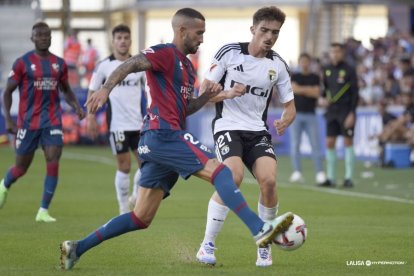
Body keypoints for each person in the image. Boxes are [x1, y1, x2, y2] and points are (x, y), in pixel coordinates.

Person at [60, 8, 294, 270]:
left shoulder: (185, 67)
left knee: (140, 218)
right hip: (164, 134)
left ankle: (77, 247)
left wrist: (211, 96)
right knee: (224, 174)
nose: (202, 39)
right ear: (182, 31)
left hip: (158, 142)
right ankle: (260, 229)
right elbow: (130, 63)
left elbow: (185, 108)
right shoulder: (164, 53)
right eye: (199, 33)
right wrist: (105, 88)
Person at [195, 6, 296, 267]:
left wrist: (286, 119)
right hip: (227, 125)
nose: (269, 36)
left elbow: (290, 105)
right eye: (264, 30)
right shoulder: (229, 53)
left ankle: (264, 243)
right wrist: (227, 94)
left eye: (275, 32)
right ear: (253, 29)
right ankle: (207, 243)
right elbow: (203, 94)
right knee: (233, 177)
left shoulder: (278, 65)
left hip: (257, 130)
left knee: (270, 182)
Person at [0, 22, 85, 222]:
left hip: (52, 121)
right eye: (39, 35)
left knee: (53, 159)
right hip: (28, 123)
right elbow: (7, 92)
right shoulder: (22, 63)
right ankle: (4, 184)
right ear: (32, 38)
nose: (43, 38)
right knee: (21, 168)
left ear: (51, 37)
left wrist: (77, 107)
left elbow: (66, 89)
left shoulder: (59, 64)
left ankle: (43, 210)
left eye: (46, 35)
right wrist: (8, 121)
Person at [86, 24, 146, 214]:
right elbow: (93, 91)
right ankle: (122, 208)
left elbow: (149, 89)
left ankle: (135, 196)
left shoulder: (139, 64)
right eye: (119, 38)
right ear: (113, 42)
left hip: (138, 124)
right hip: (117, 125)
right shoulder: (104, 66)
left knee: (147, 163)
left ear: (130, 41)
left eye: (126, 38)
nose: (122, 41)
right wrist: (91, 117)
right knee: (124, 166)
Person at [319, 43, 359, 188]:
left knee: (348, 142)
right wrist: (323, 98)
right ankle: (330, 177)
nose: (334, 54)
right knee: (330, 142)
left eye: (337, 51)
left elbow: (355, 93)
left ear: (342, 53)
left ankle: (348, 178)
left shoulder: (349, 69)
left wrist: (352, 113)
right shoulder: (326, 69)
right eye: (332, 51)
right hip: (331, 111)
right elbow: (324, 90)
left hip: (346, 110)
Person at [289, 53, 326, 185]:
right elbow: (293, 89)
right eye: (302, 61)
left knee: (315, 145)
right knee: (295, 144)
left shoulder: (315, 77)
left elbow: (316, 92)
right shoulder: (295, 75)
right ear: (299, 63)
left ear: (309, 63)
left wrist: (301, 89)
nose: (304, 64)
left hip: (311, 114)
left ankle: (319, 172)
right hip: (296, 114)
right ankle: (297, 171)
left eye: (306, 61)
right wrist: (308, 90)